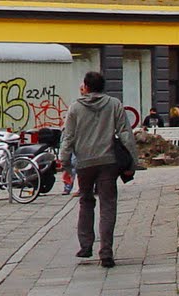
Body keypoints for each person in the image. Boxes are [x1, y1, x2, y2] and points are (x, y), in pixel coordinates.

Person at [58, 71, 138, 269]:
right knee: (108, 205)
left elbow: (68, 137)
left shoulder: (75, 108)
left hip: (84, 163)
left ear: (85, 86)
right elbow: (126, 134)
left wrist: (65, 163)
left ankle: (85, 246)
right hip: (108, 162)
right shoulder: (114, 104)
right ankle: (106, 252)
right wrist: (132, 162)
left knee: (86, 201)